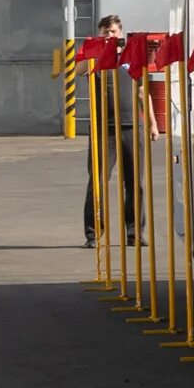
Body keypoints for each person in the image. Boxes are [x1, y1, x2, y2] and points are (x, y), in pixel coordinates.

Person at [82, 14, 135, 246]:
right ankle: (93, 234)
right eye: (105, 32)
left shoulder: (130, 54)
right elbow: (78, 70)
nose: (109, 36)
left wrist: (152, 123)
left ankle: (134, 233)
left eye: (113, 32)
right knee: (98, 181)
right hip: (103, 128)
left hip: (131, 124)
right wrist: (97, 50)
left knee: (135, 183)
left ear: (120, 33)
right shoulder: (93, 54)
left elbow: (142, 91)